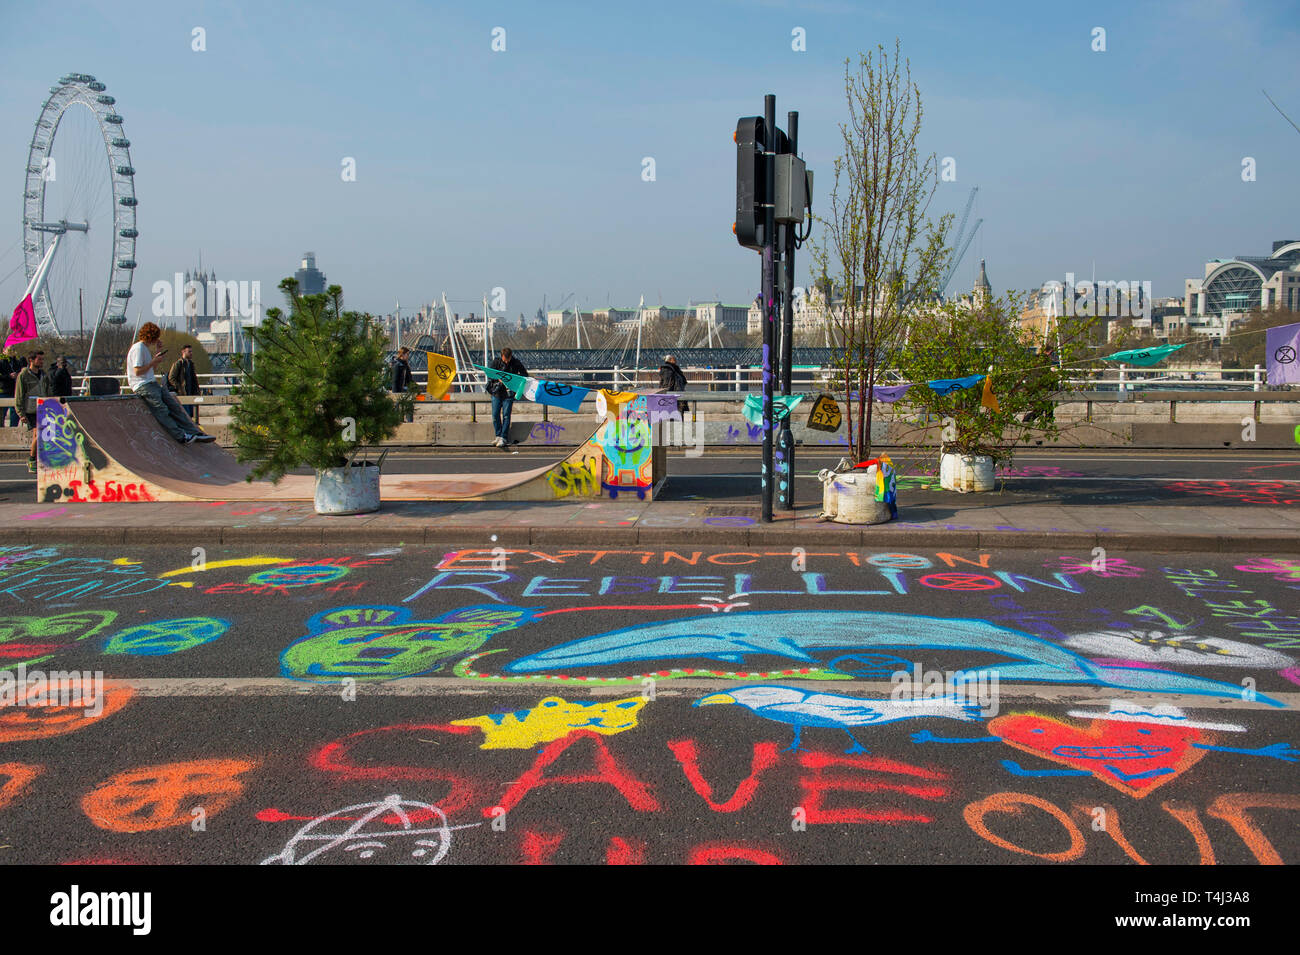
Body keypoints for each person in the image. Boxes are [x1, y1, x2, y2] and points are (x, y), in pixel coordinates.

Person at [128, 323, 213, 444]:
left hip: (151, 383)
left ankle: (194, 432)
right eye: (156, 337)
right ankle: (181, 436)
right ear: (151, 336)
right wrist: (153, 362)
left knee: (174, 407)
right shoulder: (138, 348)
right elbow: (137, 371)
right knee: (161, 410)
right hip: (142, 385)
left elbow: (151, 370)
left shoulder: (145, 349)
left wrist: (157, 354)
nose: (158, 340)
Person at [486, 347, 527, 447]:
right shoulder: (496, 362)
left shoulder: (516, 363)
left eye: (508, 360)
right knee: (495, 415)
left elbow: (524, 375)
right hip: (497, 393)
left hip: (508, 393)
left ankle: (503, 437)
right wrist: (498, 379)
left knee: (506, 415)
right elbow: (490, 374)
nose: (506, 362)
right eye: (505, 360)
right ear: (502, 356)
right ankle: (498, 435)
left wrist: (514, 380)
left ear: (511, 356)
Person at [14, 351, 47, 473]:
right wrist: (20, 413)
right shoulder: (24, 375)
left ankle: (36, 459)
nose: (41, 362)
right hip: (30, 409)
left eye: (42, 359)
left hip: (43, 407)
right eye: (39, 359)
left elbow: (47, 391)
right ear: (31, 360)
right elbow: (19, 394)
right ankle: (32, 459)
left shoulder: (43, 374)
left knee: (37, 435)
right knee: (38, 435)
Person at [167, 344, 200, 419]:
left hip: (191, 394)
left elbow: (193, 379)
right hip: (183, 394)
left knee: (192, 414)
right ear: (183, 352)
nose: (191, 353)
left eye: (191, 351)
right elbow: (171, 378)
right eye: (189, 352)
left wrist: (197, 390)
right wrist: (179, 388)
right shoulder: (178, 364)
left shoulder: (190, 364)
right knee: (186, 414)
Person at [391, 347, 414, 422]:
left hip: (406, 390)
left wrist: (413, 387)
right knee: (399, 410)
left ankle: (409, 423)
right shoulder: (397, 365)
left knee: (409, 409)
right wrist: (395, 395)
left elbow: (409, 379)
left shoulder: (405, 365)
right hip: (399, 391)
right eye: (407, 354)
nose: (408, 356)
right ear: (402, 355)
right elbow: (395, 381)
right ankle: (400, 424)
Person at [0, 350, 20, 427]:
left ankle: (13, 429)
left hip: (14, 390)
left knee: (15, 412)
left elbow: (21, 370)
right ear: (4, 350)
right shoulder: (1, 361)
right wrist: (9, 376)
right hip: (3, 391)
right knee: (2, 414)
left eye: (13, 348)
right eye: (10, 348)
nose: (12, 351)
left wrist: (17, 374)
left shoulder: (16, 361)